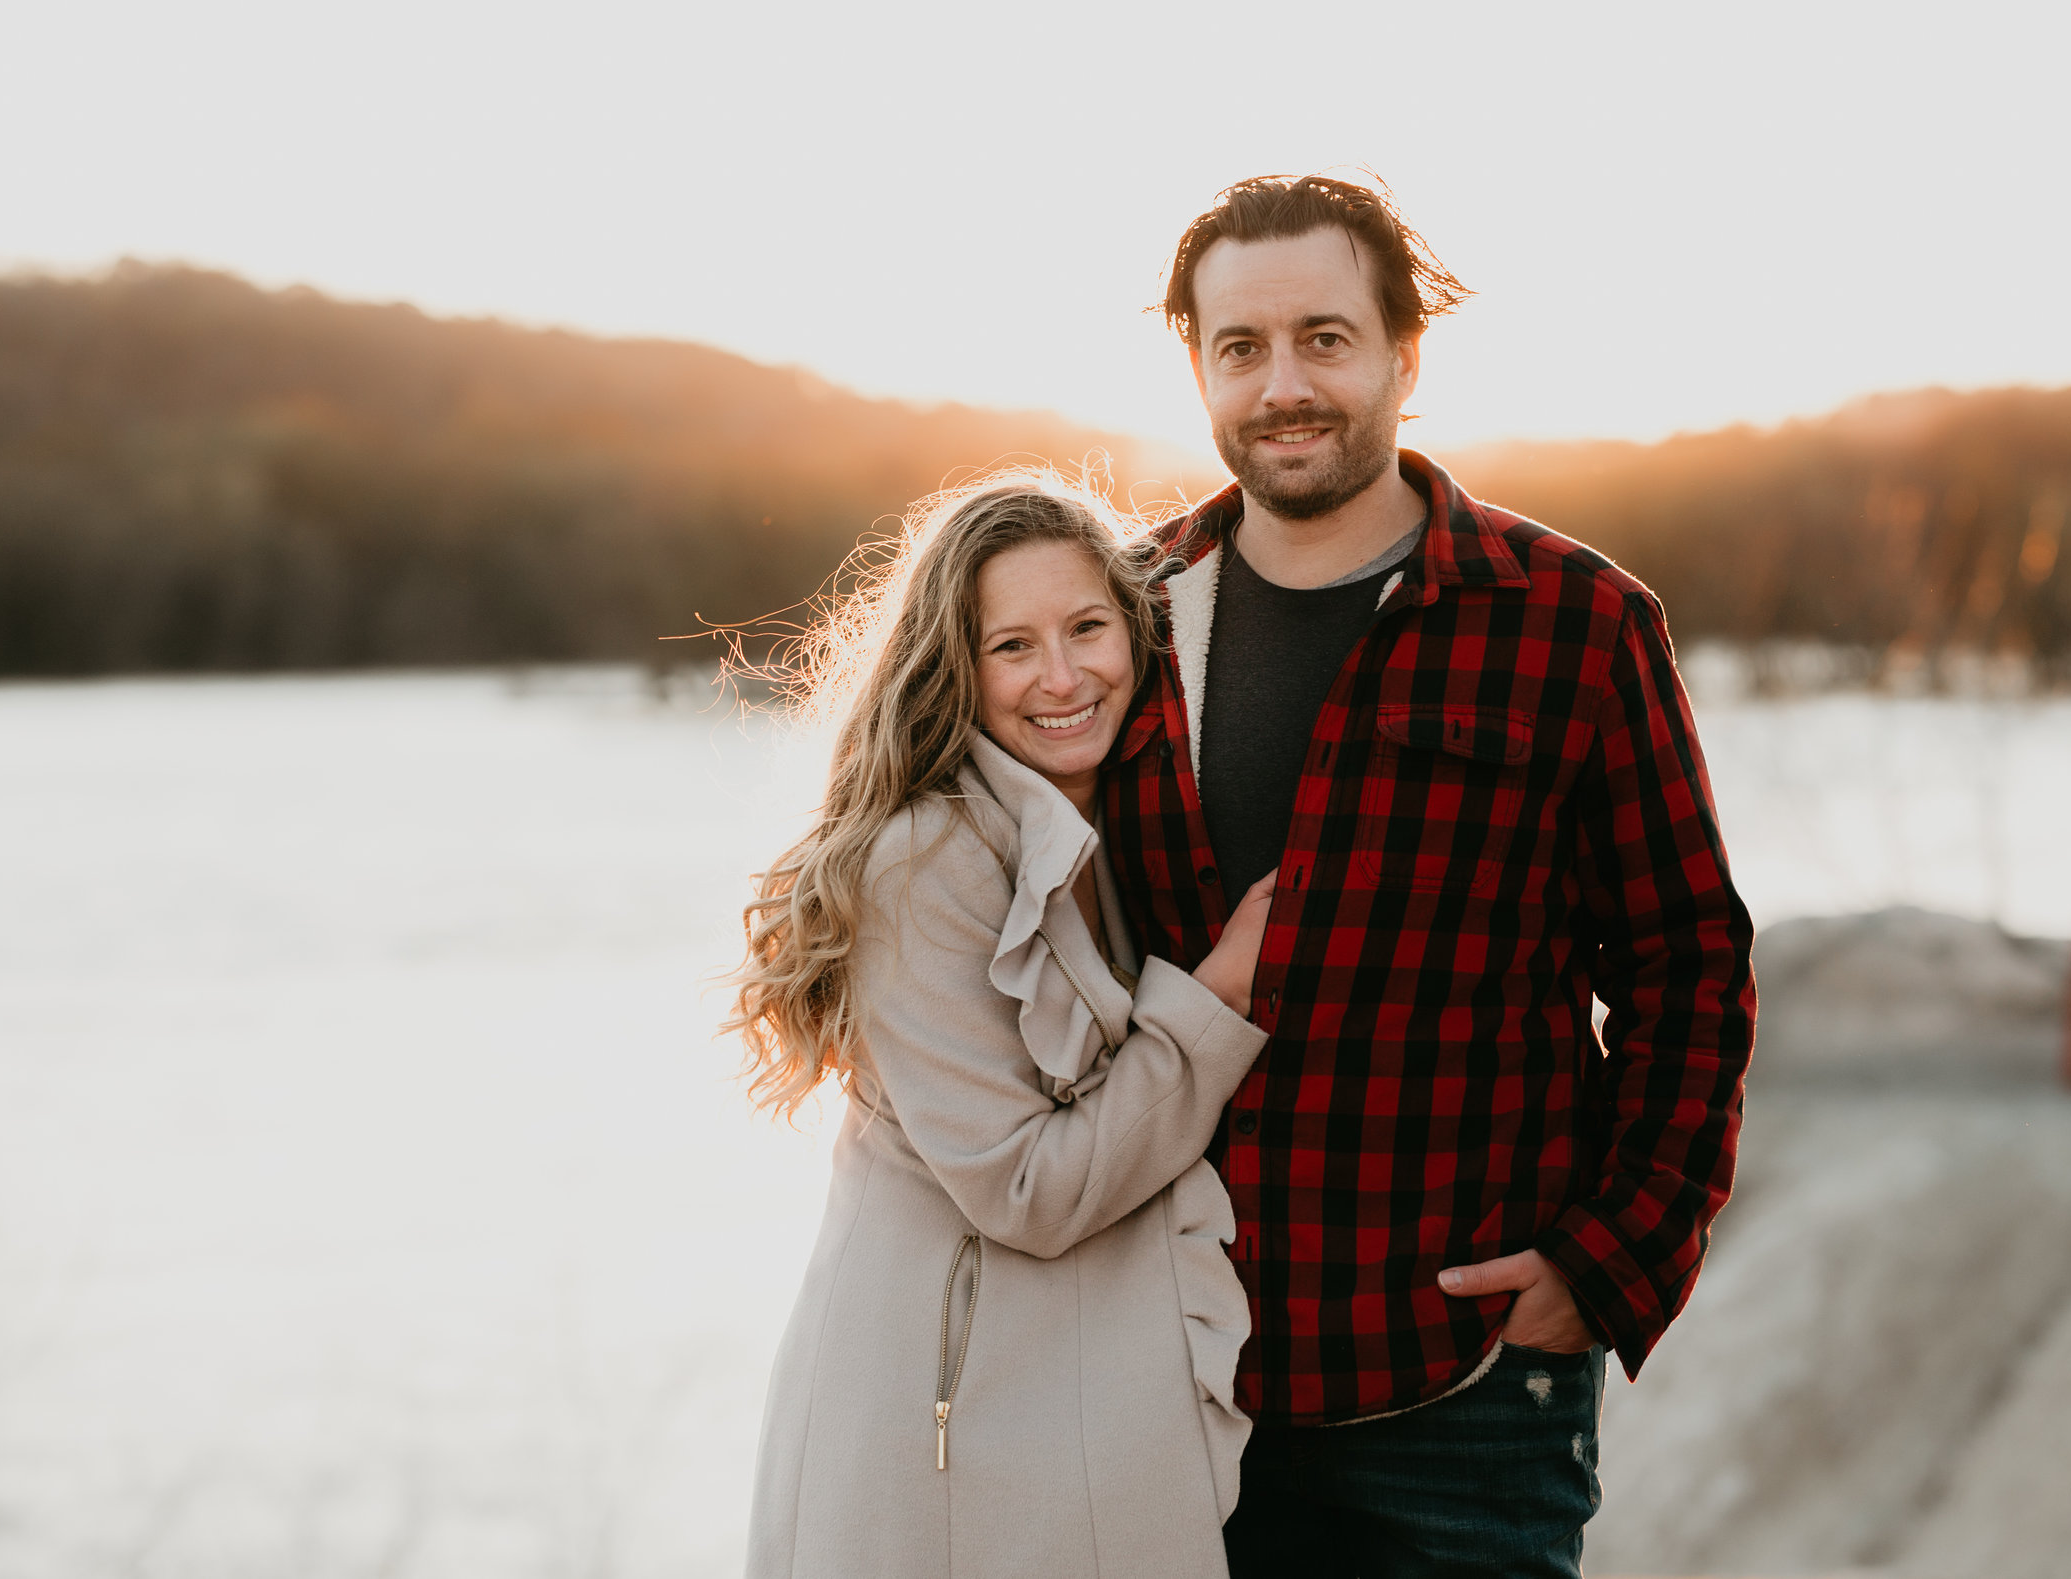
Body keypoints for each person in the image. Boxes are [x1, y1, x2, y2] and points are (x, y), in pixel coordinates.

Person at [1099, 176, 1758, 1577]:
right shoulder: (1123, 622)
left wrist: (1610, 1258)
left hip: (1461, 1385)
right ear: (1199, 366)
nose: (1285, 384)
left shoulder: (1574, 623)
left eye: (1325, 338)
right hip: (1168, 1371)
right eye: (1242, 346)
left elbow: (1687, 963)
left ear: (1407, 353)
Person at [732, 481, 1278, 1578]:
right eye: (1012, 645)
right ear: (953, 667)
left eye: (1086, 628)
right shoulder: (921, 861)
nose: (1064, 678)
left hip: (1051, 1414)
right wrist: (1217, 996)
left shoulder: (1100, 821)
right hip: (942, 1433)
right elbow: (1026, 1187)